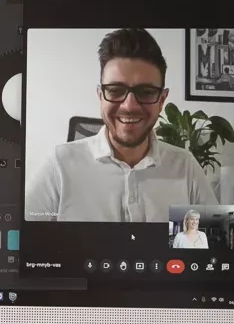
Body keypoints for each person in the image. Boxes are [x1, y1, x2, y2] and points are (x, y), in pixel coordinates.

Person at [26, 28, 217, 222]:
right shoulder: (60, 165)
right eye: (116, 90)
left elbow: (225, 240)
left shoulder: (185, 167)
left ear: (162, 100)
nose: (130, 106)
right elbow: (20, 238)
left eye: (146, 92)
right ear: (101, 96)